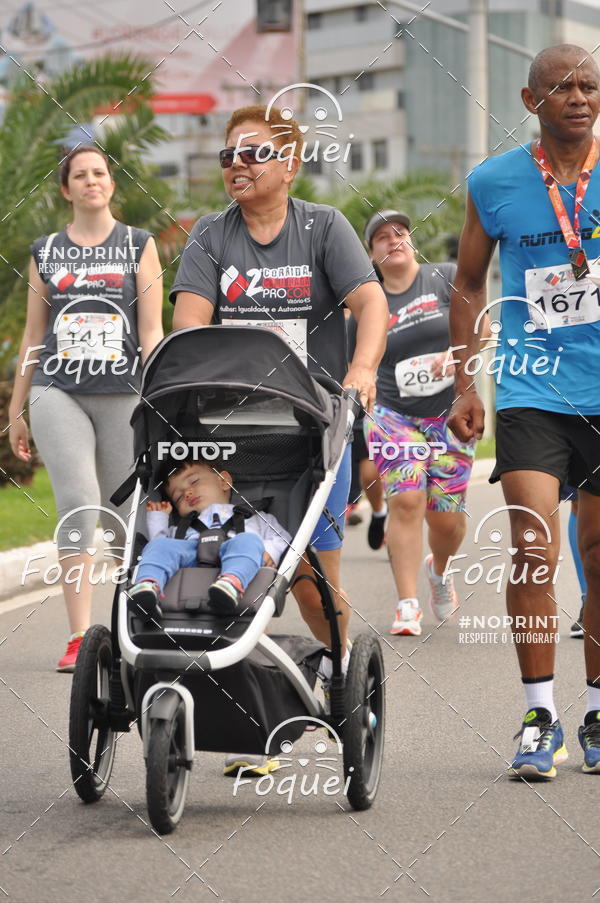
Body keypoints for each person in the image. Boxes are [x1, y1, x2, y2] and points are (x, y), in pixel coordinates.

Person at [169, 104, 388, 672]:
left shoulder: (323, 226)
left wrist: (361, 369)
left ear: (288, 165)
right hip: (230, 429)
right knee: (225, 566)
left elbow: (370, 303)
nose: (237, 164)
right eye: (229, 155)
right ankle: (245, 700)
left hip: (314, 425)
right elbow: (188, 327)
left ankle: (340, 677)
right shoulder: (211, 235)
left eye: (253, 153)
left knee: (314, 579)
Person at [448, 44, 600, 777]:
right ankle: (540, 713)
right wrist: (466, 383)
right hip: (533, 387)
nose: (577, 96)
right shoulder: (493, 180)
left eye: (589, 85)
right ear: (529, 98)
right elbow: (468, 282)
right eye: (562, 86)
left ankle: (598, 708)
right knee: (535, 546)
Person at [9, 146, 164, 671]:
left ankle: (126, 625)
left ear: (111, 184)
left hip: (124, 392)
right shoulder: (46, 251)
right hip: (59, 390)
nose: (91, 181)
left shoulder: (138, 246)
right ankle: (79, 635)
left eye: (99, 173)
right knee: (78, 501)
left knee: (123, 512)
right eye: (80, 175)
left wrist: (158, 396)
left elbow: (151, 331)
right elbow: (34, 334)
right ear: (66, 188)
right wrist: (16, 408)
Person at [355, 210, 476, 636]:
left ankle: (439, 571)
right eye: (382, 238)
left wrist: (461, 364)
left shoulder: (443, 278)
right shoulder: (369, 302)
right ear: (372, 254)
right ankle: (407, 604)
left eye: (400, 233)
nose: (394, 240)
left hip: (449, 415)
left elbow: (482, 325)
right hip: (393, 413)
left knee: (445, 519)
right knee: (405, 501)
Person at [127, 456, 291, 620]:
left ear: (224, 481)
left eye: (194, 481)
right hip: (192, 555)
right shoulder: (181, 529)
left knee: (249, 541)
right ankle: (147, 586)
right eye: (178, 497)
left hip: (239, 556)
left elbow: (282, 538)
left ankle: (231, 584)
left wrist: (269, 552)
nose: (187, 493)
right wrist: (159, 518)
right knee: (160, 546)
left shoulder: (255, 517)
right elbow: (159, 549)